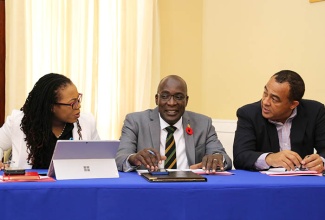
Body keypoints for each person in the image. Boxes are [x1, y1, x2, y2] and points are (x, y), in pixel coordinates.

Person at [115, 75, 232, 173]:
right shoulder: (135, 121)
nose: (171, 103)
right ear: (156, 99)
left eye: (179, 97)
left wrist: (217, 158)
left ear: (186, 100)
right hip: (150, 188)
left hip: (189, 188)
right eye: (165, 96)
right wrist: (134, 159)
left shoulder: (203, 123)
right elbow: (120, 158)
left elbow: (224, 158)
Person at [0, 73, 100, 169]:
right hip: (30, 185)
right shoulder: (18, 121)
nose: (78, 106)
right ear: (51, 107)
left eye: (78, 99)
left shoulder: (87, 122)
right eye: (73, 103)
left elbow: (101, 157)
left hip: (72, 185)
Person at [233, 70, 325, 173]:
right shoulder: (249, 114)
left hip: (302, 182)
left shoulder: (315, 111)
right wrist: (270, 159)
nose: (265, 102)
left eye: (274, 99)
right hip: (265, 183)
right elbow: (240, 157)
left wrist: (321, 161)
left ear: (293, 105)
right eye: (265, 93)